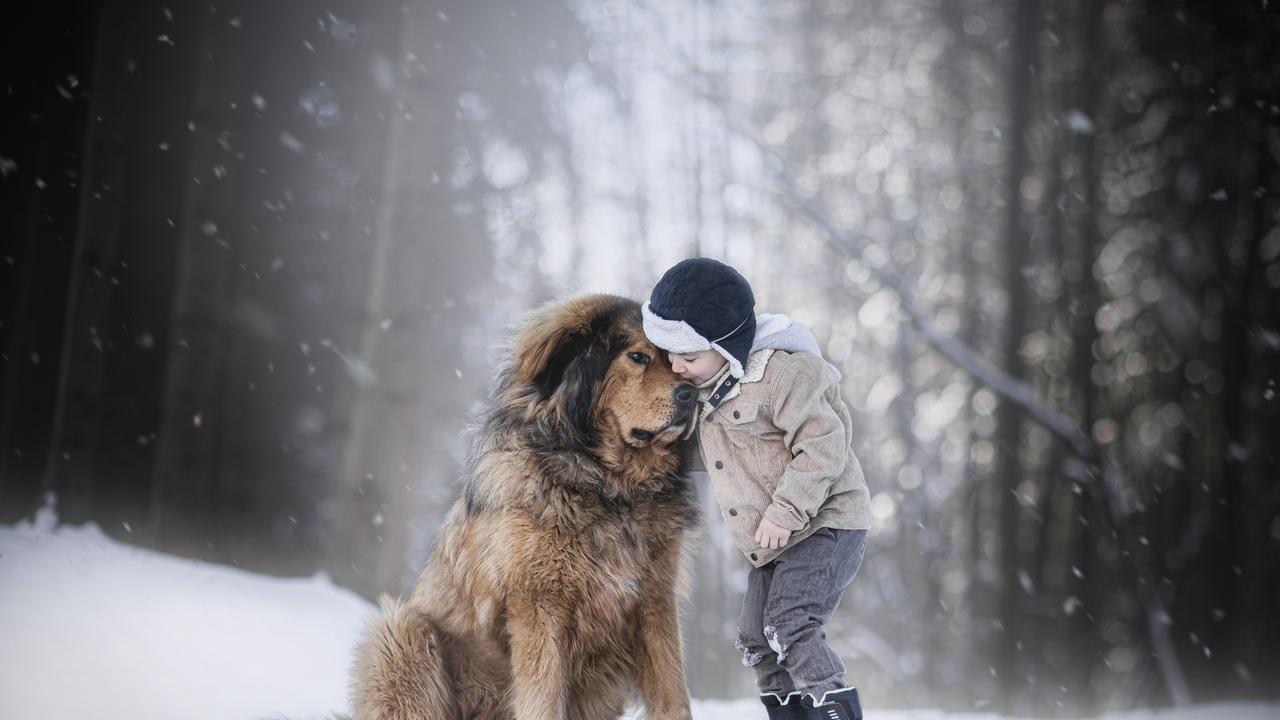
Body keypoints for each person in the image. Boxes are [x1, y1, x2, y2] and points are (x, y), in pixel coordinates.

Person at [642, 257, 873, 720]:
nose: (677, 367)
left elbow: (825, 448)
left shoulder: (784, 375)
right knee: (756, 637)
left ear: (727, 347)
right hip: (776, 540)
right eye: (670, 355)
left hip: (825, 524)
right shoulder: (711, 390)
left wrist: (785, 512)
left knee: (789, 626)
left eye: (688, 356)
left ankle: (833, 713)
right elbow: (715, 458)